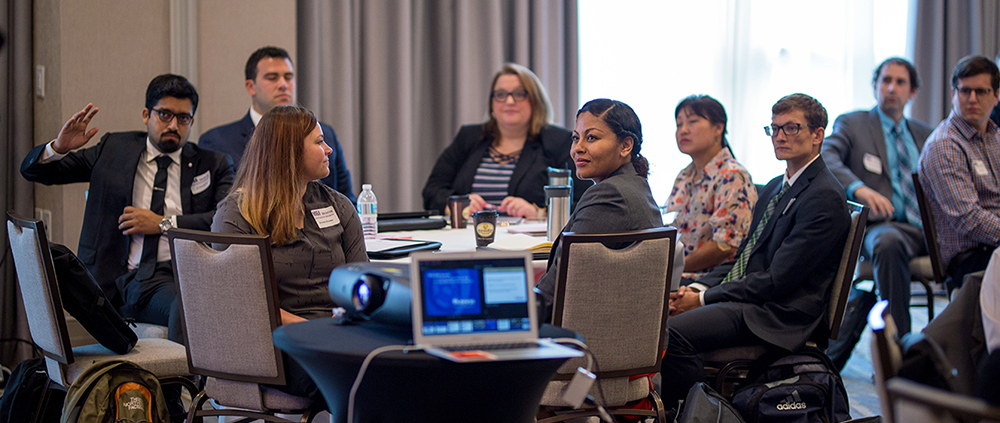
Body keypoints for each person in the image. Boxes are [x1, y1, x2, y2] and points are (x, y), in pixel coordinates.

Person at [660, 94, 850, 406]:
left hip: (779, 315)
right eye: (774, 129)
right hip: (755, 299)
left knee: (670, 333)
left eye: (791, 128)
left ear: (818, 135)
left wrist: (704, 298)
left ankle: (703, 413)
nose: (779, 137)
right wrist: (696, 287)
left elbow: (778, 280)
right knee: (662, 315)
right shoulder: (777, 185)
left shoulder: (824, 196)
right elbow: (744, 259)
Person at [20, 74, 234, 344]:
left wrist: (163, 223)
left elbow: (223, 220)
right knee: (186, 305)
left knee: (197, 301)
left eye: (183, 118)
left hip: (176, 275)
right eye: (164, 115)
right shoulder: (114, 149)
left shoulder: (212, 163)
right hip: (117, 278)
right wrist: (59, 148)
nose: (173, 125)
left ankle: (189, 384)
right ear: (147, 114)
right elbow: (35, 171)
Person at [212, 105, 367, 404]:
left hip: (337, 333)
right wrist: (320, 330)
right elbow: (247, 307)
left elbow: (363, 283)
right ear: (290, 152)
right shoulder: (238, 214)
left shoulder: (338, 206)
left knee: (406, 366)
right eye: (319, 142)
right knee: (362, 378)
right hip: (275, 343)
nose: (329, 149)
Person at [822, 57, 936, 369]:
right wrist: (860, 188)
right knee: (888, 242)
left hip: (927, 229)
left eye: (900, 82)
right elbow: (826, 155)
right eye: (885, 80)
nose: (891, 88)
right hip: (880, 227)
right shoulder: (854, 124)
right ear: (875, 86)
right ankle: (899, 355)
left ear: (912, 92)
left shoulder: (927, 134)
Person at [534, 98, 662, 321]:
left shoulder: (610, 196)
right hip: (619, 328)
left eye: (591, 138)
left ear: (625, 146)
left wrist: (510, 315)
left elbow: (559, 285)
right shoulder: (633, 184)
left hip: (588, 337)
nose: (577, 148)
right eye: (576, 138)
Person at [422, 63, 592, 219]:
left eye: (519, 94)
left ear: (535, 100)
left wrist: (540, 212)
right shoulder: (469, 137)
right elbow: (432, 191)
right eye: (501, 95)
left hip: (530, 242)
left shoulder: (559, 141)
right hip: (466, 239)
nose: (509, 101)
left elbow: (587, 201)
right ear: (492, 103)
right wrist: (457, 205)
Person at [200, 46, 356, 202]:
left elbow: (348, 201)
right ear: (250, 86)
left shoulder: (326, 134)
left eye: (288, 77)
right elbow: (217, 208)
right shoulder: (217, 141)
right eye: (272, 77)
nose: (283, 84)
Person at [919, 55, 1000, 289]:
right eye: (965, 91)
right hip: (971, 258)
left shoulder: (995, 136)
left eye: (981, 92)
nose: (972, 99)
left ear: (996, 96)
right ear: (954, 94)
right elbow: (968, 219)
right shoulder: (944, 144)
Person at [666, 95, 756, 281]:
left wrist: (671, 270)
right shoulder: (684, 175)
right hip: (678, 272)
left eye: (692, 122)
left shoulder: (732, 175)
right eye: (678, 124)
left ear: (718, 128)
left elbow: (725, 246)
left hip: (711, 280)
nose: (683, 130)